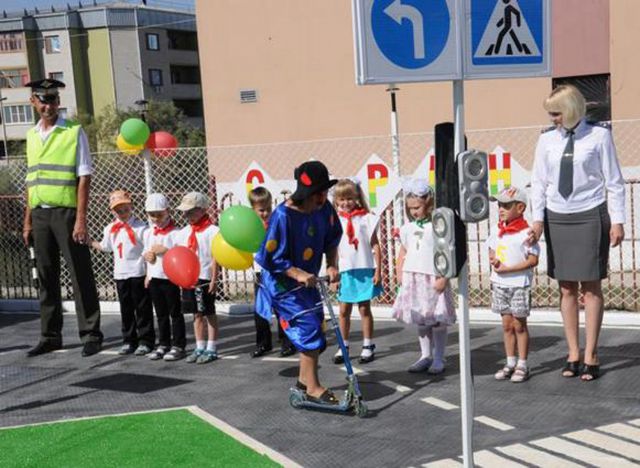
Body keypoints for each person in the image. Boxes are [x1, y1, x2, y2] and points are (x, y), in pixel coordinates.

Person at [529, 85, 625, 381]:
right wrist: (537, 219)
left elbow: (614, 181)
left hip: (590, 213)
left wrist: (618, 220)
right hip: (557, 216)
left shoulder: (599, 135)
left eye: (557, 113)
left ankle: (592, 353)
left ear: (572, 110)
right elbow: (539, 181)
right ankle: (573, 352)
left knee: (591, 286)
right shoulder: (546, 140)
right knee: (566, 287)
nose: (554, 118)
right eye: (551, 114)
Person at [22, 78, 103, 357]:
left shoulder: (73, 131)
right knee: (46, 277)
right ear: (34, 102)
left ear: (58, 102)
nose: (49, 105)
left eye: (53, 100)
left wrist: (81, 219)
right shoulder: (31, 136)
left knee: (80, 274)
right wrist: (28, 220)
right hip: (41, 213)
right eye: (43, 100)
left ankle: (91, 334)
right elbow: (31, 181)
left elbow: (84, 177)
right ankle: (50, 335)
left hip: (67, 214)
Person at [255, 161, 342, 404]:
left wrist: (332, 264)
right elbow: (270, 257)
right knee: (307, 327)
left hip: (308, 282)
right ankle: (313, 388)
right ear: (307, 193)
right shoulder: (283, 215)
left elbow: (331, 239)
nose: (323, 198)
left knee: (316, 328)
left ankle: (304, 383)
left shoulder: (324, 209)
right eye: (319, 193)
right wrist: (297, 273)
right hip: (282, 284)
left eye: (325, 192)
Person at [392, 178, 456, 374]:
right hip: (414, 278)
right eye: (410, 208)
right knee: (421, 319)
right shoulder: (407, 229)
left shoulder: (439, 226)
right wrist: (400, 273)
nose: (414, 212)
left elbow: (447, 251)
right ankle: (425, 355)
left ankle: (439, 357)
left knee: (436, 318)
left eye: (417, 207)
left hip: (433, 277)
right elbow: (404, 251)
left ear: (428, 203)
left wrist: (444, 278)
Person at [91, 190, 154, 355]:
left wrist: (149, 272)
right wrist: (89, 242)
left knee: (142, 309)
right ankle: (129, 340)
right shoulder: (110, 228)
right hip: (120, 274)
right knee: (126, 310)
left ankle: (146, 341)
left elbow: (148, 249)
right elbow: (106, 247)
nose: (123, 213)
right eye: (118, 210)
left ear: (131, 207)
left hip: (138, 273)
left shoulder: (141, 228)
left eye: (125, 209)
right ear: (112, 211)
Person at [486, 187, 539, 383]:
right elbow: (492, 251)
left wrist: (509, 269)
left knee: (519, 325)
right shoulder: (496, 230)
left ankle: (522, 364)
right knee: (506, 325)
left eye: (506, 205)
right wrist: (494, 260)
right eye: (499, 205)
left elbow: (533, 260)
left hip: (519, 284)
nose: (501, 209)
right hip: (500, 285)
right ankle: (510, 362)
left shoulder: (527, 233)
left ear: (520, 207)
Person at [332, 178, 382, 365]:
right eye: (341, 199)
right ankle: (343, 345)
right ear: (336, 201)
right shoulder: (334, 221)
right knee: (344, 310)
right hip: (345, 271)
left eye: (349, 198)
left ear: (357, 198)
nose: (346, 203)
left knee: (364, 308)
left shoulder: (367, 218)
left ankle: (368, 345)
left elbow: (375, 245)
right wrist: (334, 274)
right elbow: (332, 249)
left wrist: (378, 271)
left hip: (363, 269)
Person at [249, 187, 295, 358]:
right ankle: (263, 343)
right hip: (260, 273)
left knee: (281, 308)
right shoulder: (250, 228)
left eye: (268, 208)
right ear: (253, 210)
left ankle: (287, 342)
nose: (265, 212)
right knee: (260, 310)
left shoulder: (276, 224)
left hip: (276, 272)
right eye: (261, 210)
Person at [174, 192, 220, 364]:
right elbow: (181, 256)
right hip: (189, 279)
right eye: (185, 212)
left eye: (191, 211)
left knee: (208, 312)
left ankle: (212, 347)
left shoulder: (213, 231)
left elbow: (216, 257)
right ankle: (200, 346)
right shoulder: (184, 232)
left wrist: (214, 279)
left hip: (205, 278)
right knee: (196, 313)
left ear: (202, 210)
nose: (187, 215)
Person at [142, 193, 186, 361]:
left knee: (174, 312)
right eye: (152, 215)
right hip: (155, 277)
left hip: (170, 278)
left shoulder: (175, 233)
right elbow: (146, 252)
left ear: (168, 211)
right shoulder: (148, 233)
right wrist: (148, 262)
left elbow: (182, 255)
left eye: (159, 214)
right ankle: (164, 344)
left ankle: (179, 345)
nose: (156, 219)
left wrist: (166, 251)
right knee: (160, 313)